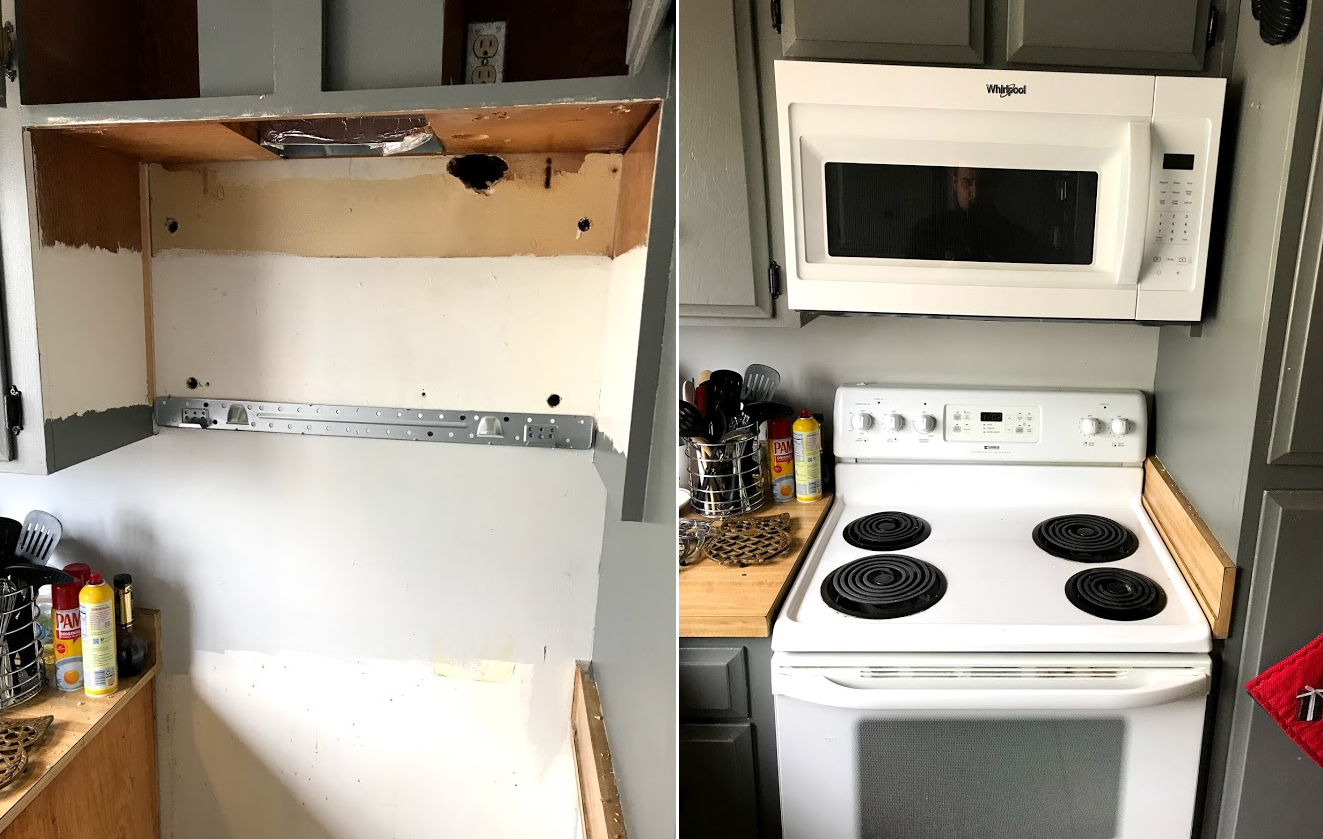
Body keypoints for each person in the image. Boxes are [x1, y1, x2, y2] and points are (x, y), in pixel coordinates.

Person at [906, 167, 1043, 263]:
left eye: (983, 184)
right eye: (967, 182)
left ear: (995, 185)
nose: (975, 193)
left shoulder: (1018, 239)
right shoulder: (926, 232)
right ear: (955, 182)